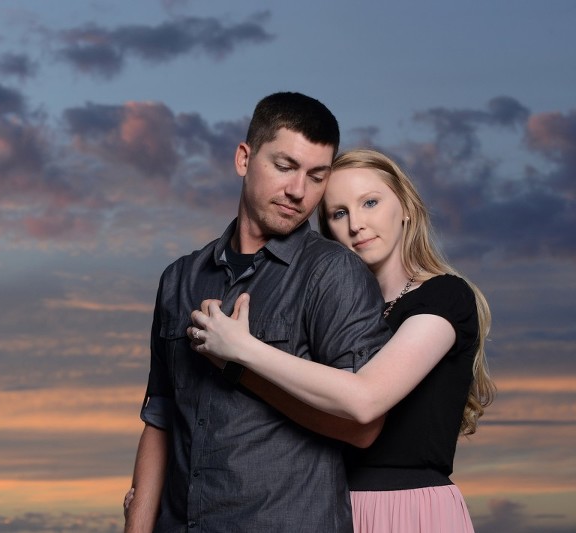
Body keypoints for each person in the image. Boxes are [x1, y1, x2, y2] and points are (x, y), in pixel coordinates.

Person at [187, 149, 496, 533]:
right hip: (327, 506)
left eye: (370, 202)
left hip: (410, 510)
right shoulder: (334, 312)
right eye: (339, 213)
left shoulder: (446, 296)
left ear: (406, 208)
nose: (357, 224)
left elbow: (365, 400)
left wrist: (243, 350)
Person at [124, 94, 392, 533]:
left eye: (316, 176)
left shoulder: (334, 273)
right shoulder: (178, 278)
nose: (298, 191)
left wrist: (240, 367)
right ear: (244, 159)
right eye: (285, 166)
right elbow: (161, 417)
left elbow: (362, 428)